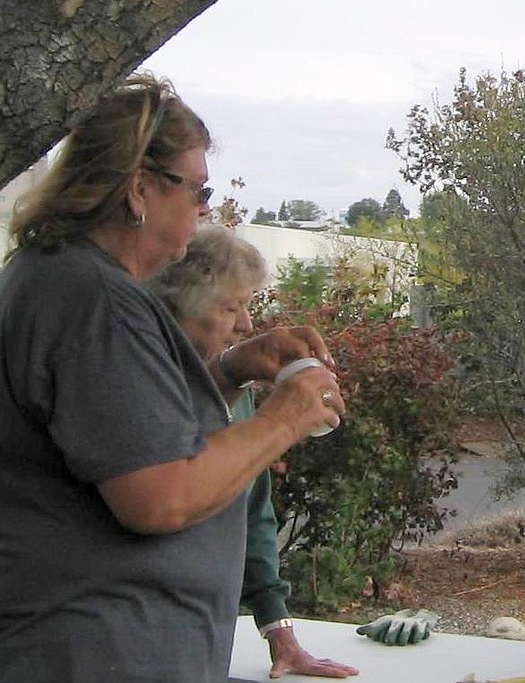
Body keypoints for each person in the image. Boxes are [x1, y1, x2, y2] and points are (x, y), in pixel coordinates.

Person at [0, 74, 345, 683]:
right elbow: (161, 494)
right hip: (95, 650)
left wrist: (231, 368)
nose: (206, 209)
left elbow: (118, 425)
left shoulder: (60, 278)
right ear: (138, 189)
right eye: (196, 190)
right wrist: (284, 417)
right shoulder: (93, 298)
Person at [146, 224, 359, 679]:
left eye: (247, 306)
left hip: (201, 641)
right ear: (176, 309)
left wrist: (280, 631)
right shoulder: (138, 381)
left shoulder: (231, 385)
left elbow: (253, 512)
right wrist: (280, 420)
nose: (246, 325)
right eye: (231, 307)